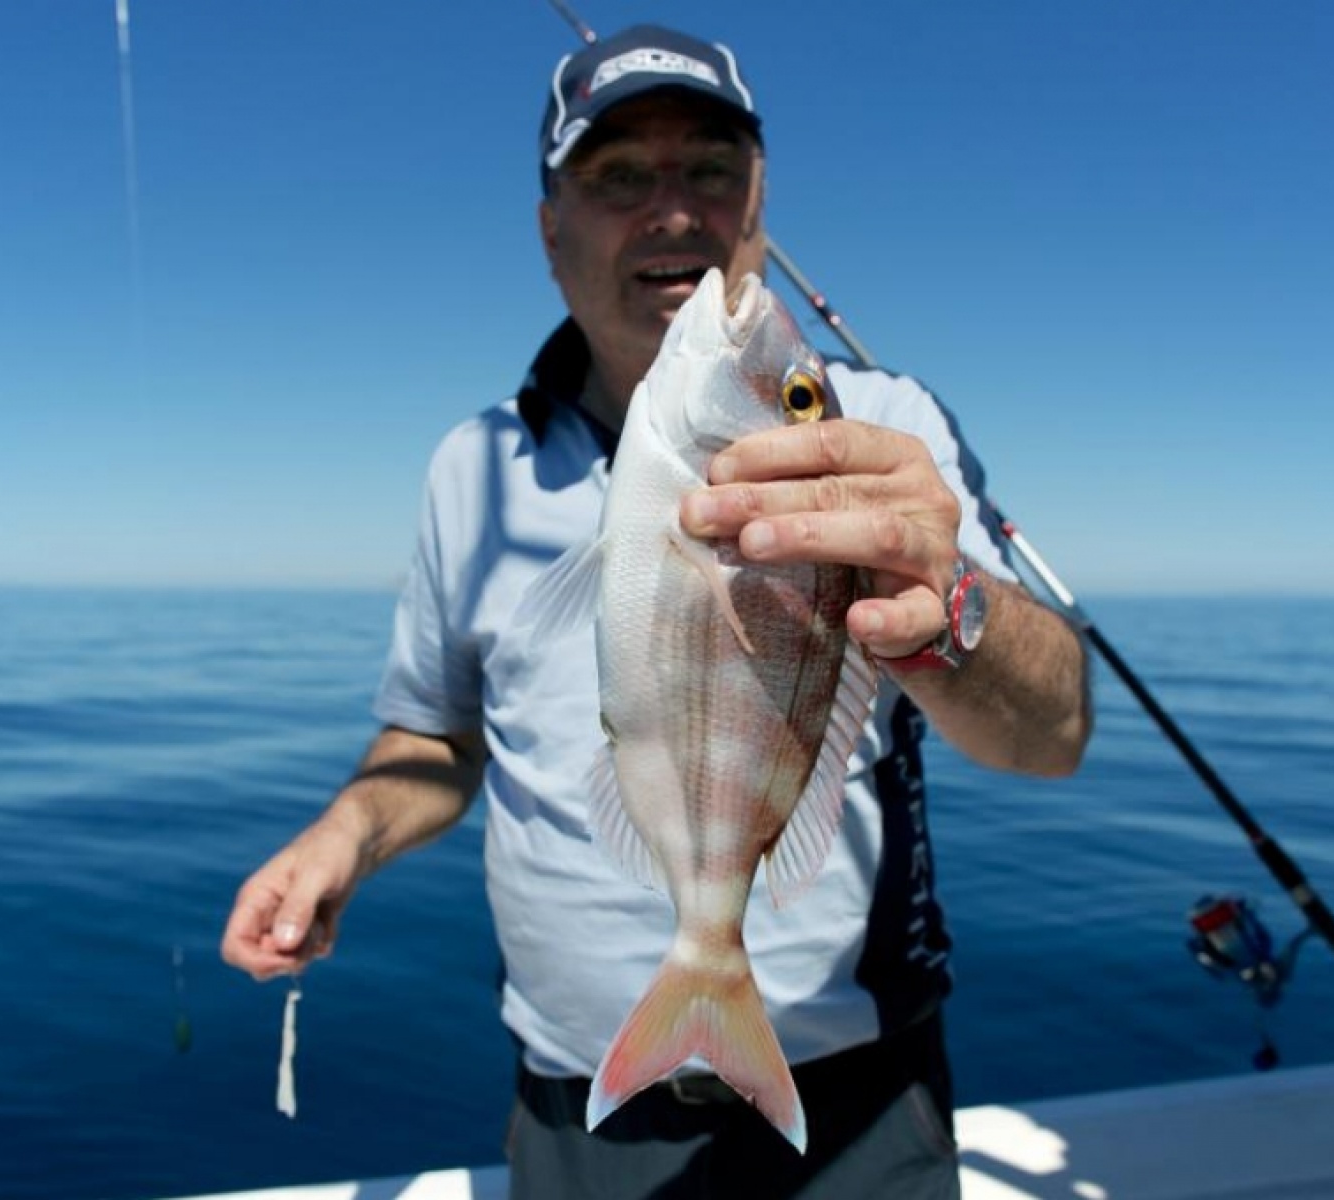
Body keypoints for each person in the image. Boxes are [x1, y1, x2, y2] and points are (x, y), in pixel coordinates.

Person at [222, 24, 1091, 1200]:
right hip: (581, 1103)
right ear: (550, 229)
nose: (673, 211)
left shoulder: (884, 425)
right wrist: (347, 836)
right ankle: (701, 971)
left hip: (859, 1103)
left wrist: (949, 612)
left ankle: (712, 960)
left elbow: (1054, 735)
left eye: (711, 171)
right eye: (619, 177)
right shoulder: (472, 469)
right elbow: (436, 739)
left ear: (761, 203)